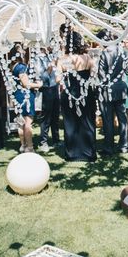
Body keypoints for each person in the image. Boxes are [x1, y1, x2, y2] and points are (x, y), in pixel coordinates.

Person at [57, 30, 97, 162]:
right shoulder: (87, 58)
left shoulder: (64, 60)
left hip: (69, 94)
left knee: (71, 123)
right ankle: (88, 153)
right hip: (86, 93)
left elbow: (57, 79)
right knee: (87, 121)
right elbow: (93, 74)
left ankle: (72, 153)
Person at [97, 31, 128, 155]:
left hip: (108, 90)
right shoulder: (124, 51)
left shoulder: (104, 54)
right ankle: (124, 146)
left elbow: (102, 75)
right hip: (121, 87)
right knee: (123, 118)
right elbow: (127, 70)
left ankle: (108, 147)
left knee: (108, 119)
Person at [9, 45, 42, 154]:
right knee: (28, 122)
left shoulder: (13, 66)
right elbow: (25, 84)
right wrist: (38, 84)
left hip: (17, 95)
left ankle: (23, 145)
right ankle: (30, 147)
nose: (23, 51)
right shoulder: (21, 67)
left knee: (21, 122)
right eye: (21, 50)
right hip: (25, 96)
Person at [36, 46, 60, 153]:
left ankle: (56, 139)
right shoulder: (37, 59)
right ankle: (43, 142)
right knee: (46, 117)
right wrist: (50, 68)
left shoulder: (50, 56)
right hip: (46, 89)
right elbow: (42, 76)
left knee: (55, 115)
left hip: (55, 88)